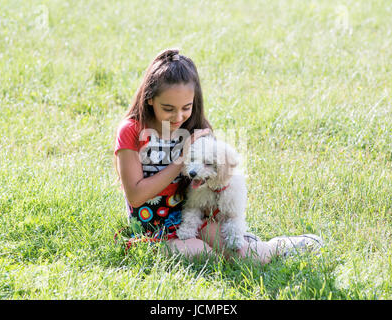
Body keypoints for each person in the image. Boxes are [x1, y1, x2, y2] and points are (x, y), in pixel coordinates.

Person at [113, 48, 322, 264]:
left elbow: (215, 179)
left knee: (245, 258)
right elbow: (135, 196)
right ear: (150, 99)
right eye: (168, 108)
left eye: (186, 107)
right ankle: (236, 243)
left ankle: (277, 246)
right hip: (151, 231)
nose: (178, 117)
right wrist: (181, 160)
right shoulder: (132, 131)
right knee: (203, 255)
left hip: (192, 217)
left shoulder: (195, 129)